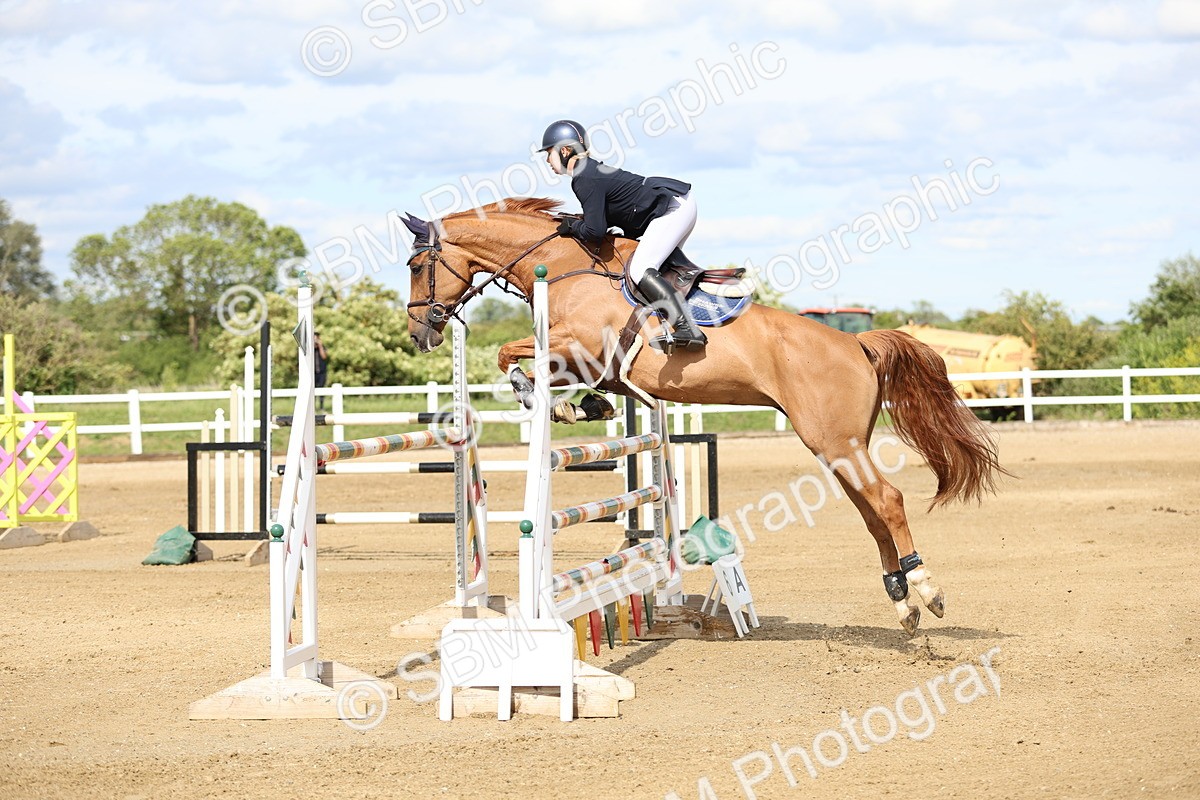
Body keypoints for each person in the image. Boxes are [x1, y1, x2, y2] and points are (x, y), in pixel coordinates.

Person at [539, 119, 707, 352]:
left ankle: (687, 327)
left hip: (673, 208)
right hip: (677, 204)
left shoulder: (584, 178)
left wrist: (571, 227)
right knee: (658, 268)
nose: (547, 161)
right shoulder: (587, 172)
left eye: (549, 153)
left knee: (640, 269)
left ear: (564, 151)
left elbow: (595, 232)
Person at [313, 331, 329, 411]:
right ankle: (313, 408)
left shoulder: (323, 347)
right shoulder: (310, 349)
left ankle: (321, 407)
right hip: (313, 373)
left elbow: (324, 356)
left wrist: (320, 346)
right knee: (312, 390)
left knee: (322, 390)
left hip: (322, 372)